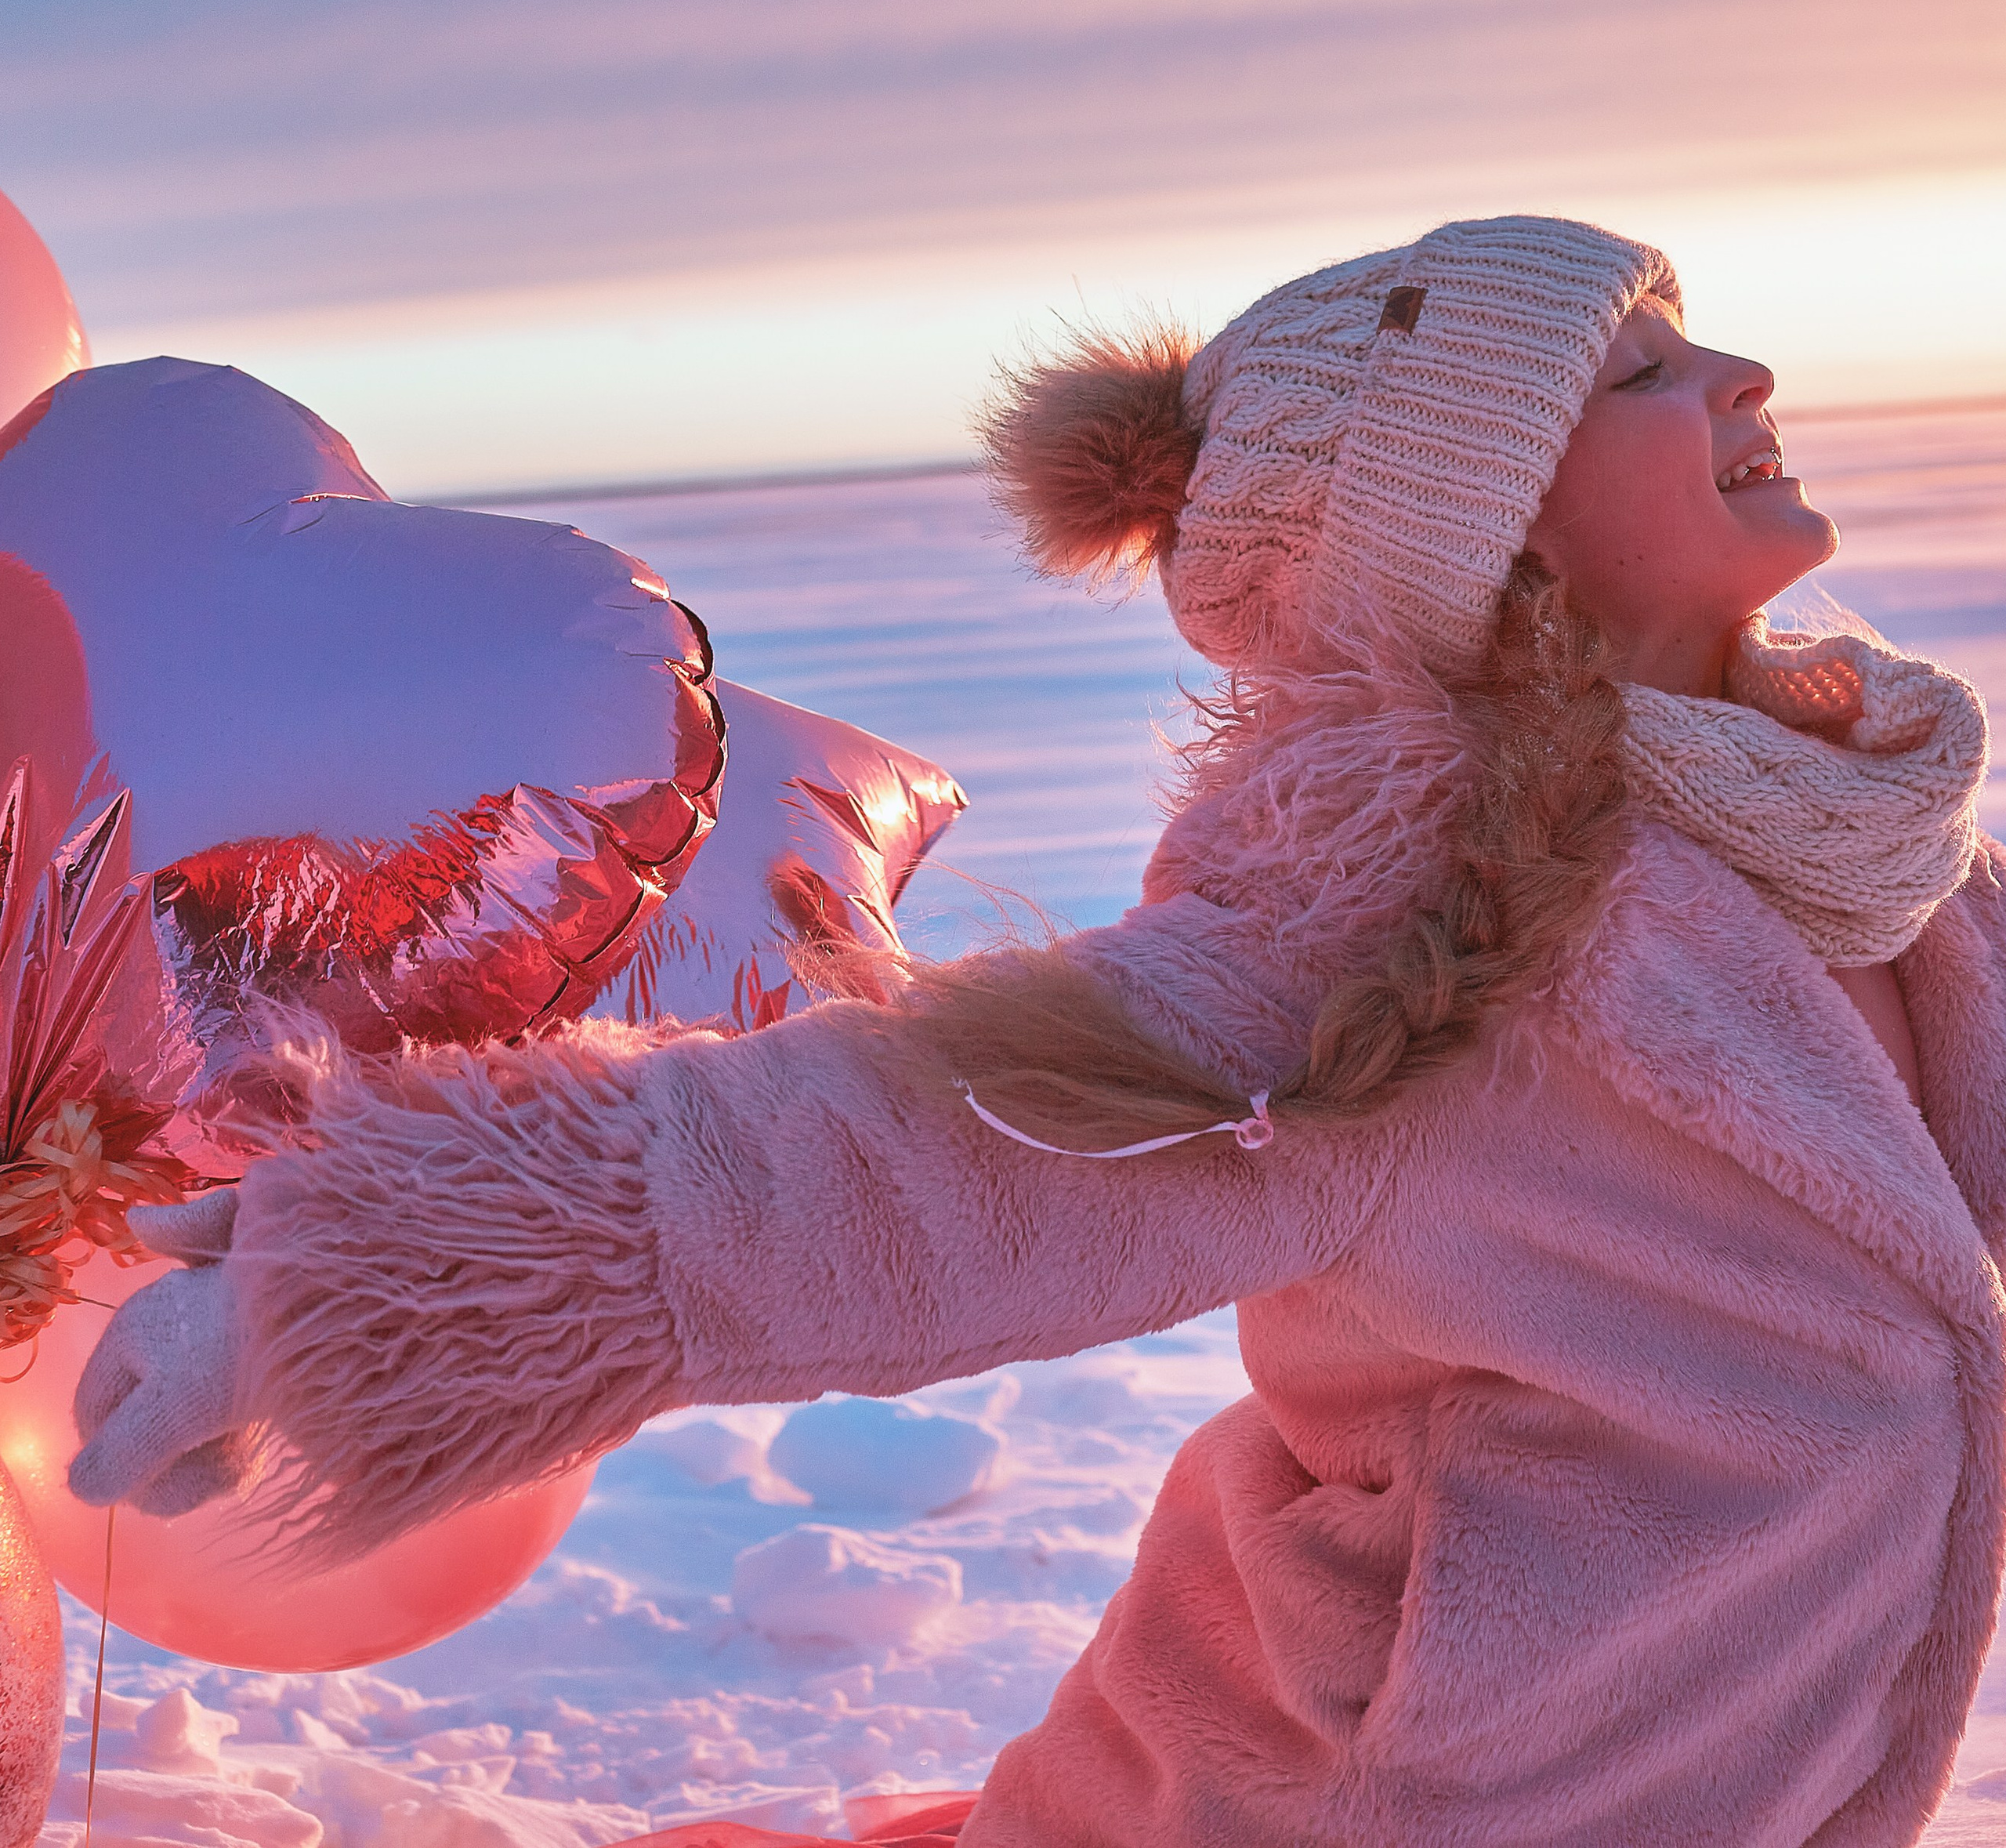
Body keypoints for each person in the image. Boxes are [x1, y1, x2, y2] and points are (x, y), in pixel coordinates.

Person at [69, 216, 2006, 1847]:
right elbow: (931, 1151)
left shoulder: (1859, 842)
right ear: (1475, 526)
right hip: (1401, 1781)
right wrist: (382, 1264)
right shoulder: (1399, 927)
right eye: (1635, 371)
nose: (1738, 374)